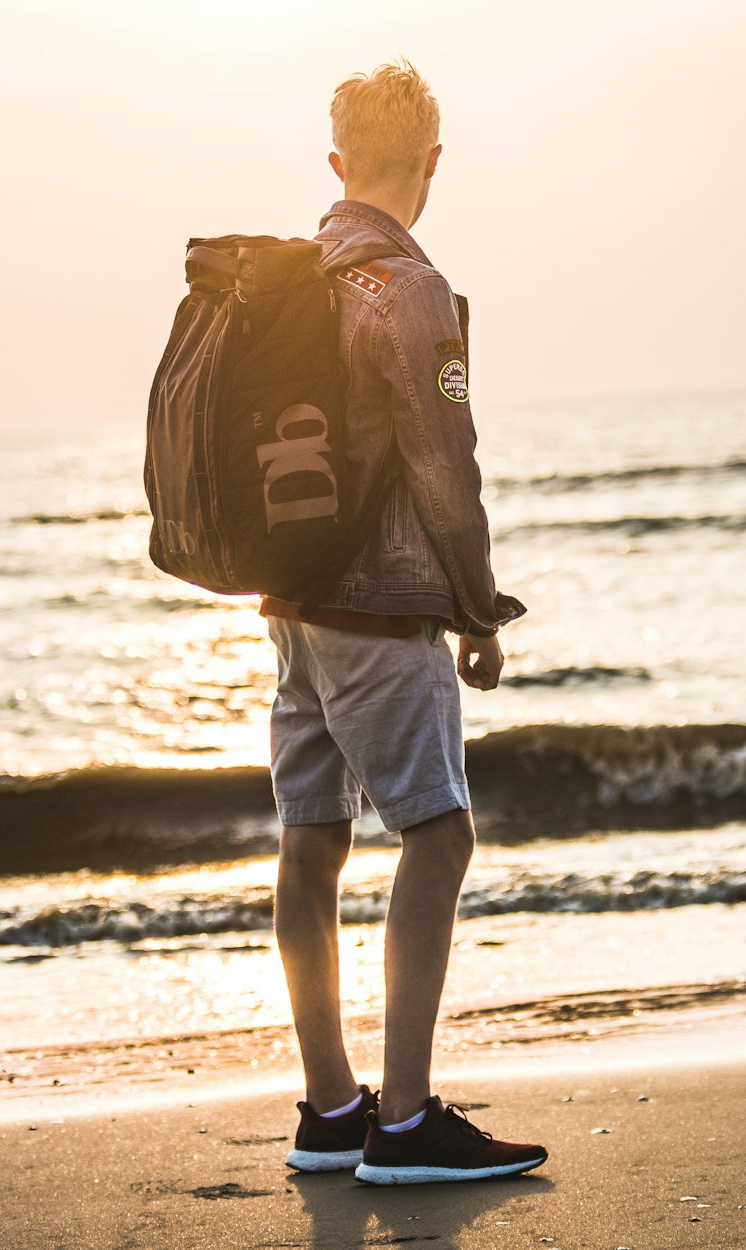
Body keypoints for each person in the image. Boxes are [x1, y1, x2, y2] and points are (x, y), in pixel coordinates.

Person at [263, 60, 547, 1185]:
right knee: (436, 834)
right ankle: (409, 1119)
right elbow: (445, 461)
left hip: (290, 605)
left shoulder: (296, 281)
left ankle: (332, 1108)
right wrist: (476, 605)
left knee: (312, 836)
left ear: (336, 165)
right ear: (432, 162)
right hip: (382, 610)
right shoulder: (413, 290)